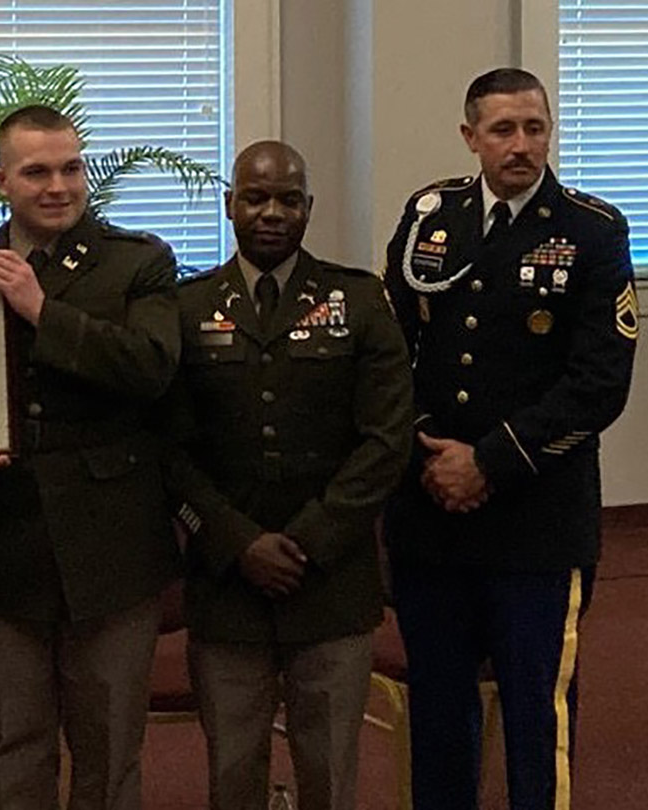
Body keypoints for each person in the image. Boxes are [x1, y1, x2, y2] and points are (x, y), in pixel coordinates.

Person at [380, 67, 638, 810]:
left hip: (537, 521)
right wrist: (427, 448)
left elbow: (599, 384)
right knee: (438, 711)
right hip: (430, 515)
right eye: (503, 130)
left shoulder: (591, 230)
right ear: (471, 138)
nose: (521, 145)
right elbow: (388, 352)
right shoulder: (430, 216)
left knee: (535, 716)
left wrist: (487, 462)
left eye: (534, 128)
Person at [0, 105, 182, 810]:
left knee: (108, 748)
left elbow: (151, 366)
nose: (58, 186)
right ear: (0, 179)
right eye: (36, 172)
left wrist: (42, 309)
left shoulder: (139, 263)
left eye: (71, 169)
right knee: (16, 742)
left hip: (111, 543)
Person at [164, 141, 413, 810]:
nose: (272, 212)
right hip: (227, 581)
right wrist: (237, 542)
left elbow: (386, 440)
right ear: (229, 205)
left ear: (309, 209)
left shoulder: (358, 302)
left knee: (330, 771)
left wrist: (308, 541)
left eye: (288, 200)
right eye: (256, 197)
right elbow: (169, 448)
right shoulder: (186, 310)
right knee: (233, 771)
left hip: (331, 580)